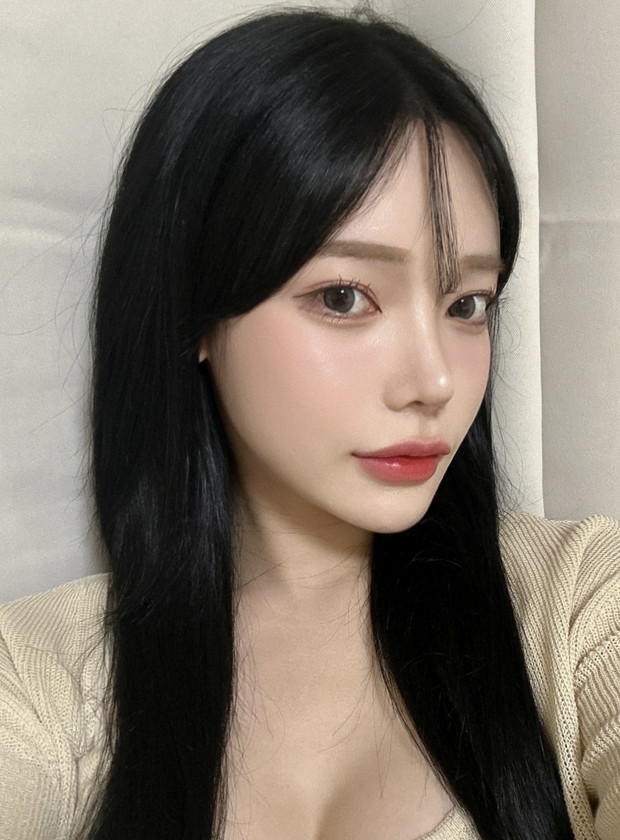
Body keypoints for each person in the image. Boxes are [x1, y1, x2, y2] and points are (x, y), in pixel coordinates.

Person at [0, 7, 618, 840]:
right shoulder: (42, 678)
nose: (435, 381)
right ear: (195, 311)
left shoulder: (576, 609)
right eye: (344, 297)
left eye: (468, 304)